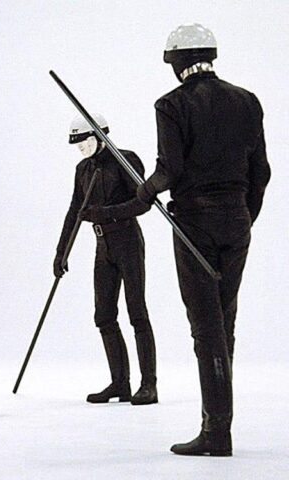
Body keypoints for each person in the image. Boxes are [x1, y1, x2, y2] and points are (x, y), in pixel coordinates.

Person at [136, 24, 270, 456]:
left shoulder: (171, 104)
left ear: (176, 62)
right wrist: (244, 218)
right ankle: (218, 426)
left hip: (195, 224)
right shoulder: (247, 100)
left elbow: (169, 171)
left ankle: (216, 433)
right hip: (237, 221)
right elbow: (262, 172)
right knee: (224, 323)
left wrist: (144, 190)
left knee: (206, 328)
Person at [54, 114, 157, 406]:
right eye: (77, 145)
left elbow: (143, 202)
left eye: (85, 142)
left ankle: (148, 384)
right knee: (104, 315)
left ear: (99, 136)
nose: (81, 149)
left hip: (127, 240)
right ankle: (120, 383)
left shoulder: (125, 160)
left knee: (137, 312)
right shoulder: (83, 169)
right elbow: (75, 210)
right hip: (103, 245)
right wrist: (61, 252)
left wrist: (106, 213)